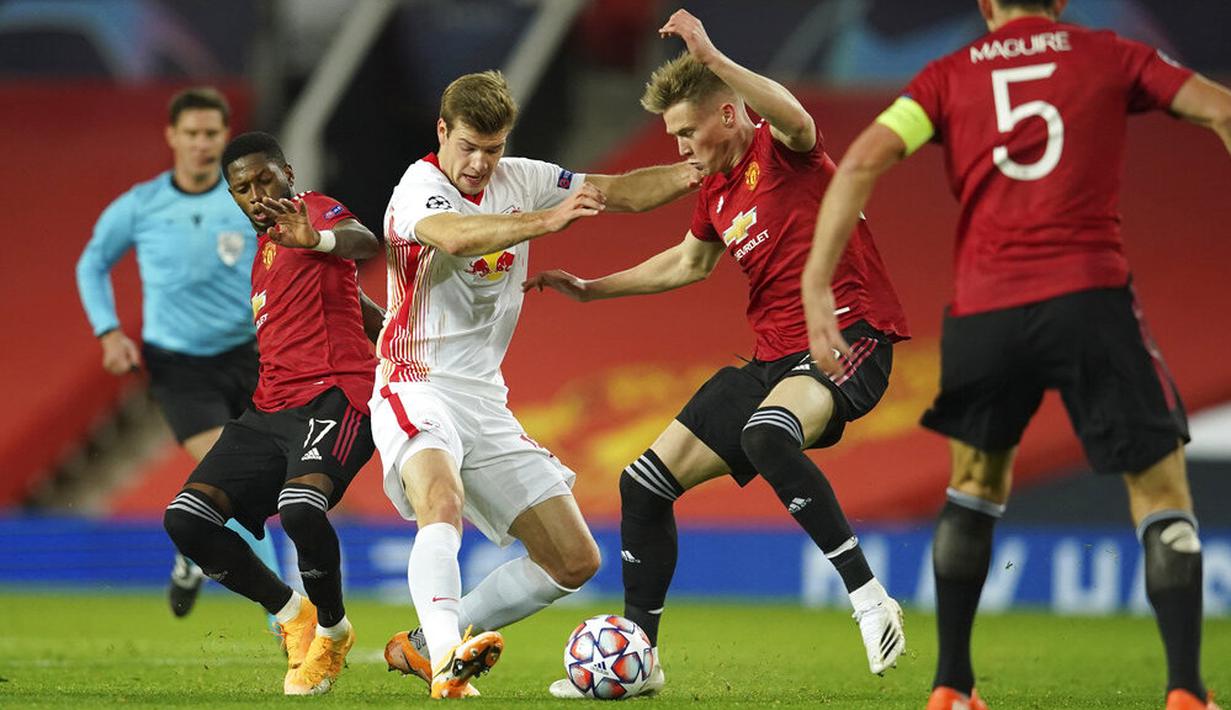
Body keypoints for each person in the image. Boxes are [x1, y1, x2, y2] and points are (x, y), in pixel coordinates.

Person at [800, 1, 1231, 708]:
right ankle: (1185, 691)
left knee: (973, 487)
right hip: (1089, 298)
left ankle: (951, 687)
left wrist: (817, 282)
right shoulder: (1109, 54)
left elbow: (865, 157)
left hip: (987, 311)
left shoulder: (946, 77)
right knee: (1159, 495)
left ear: (984, 5)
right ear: (1058, 2)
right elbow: (1218, 107)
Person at [524, 10, 911, 697]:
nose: (680, 147)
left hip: (849, 337)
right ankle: (640, 661)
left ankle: (869, 597)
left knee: (767, 434)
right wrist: (592, 289)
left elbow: (796, 116)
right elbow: (687, 263)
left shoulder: (783, 150)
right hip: (774, 359)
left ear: (728, 115)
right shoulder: (717, 189)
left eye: (686, 132)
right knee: (643, 484)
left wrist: (714, 57)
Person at [373, 69, 701, 699]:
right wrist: (547, 222)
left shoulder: (521, 177)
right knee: (440, 499)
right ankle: (445, 662)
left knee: (574, 559)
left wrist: (696, 172)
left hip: (483, 398)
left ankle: (429, 641)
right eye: (468, 146)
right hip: (415, 381)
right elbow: (456, 237)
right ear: (441, 131)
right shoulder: (418, 188)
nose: (480, 163)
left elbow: (620, 193)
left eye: (493, 149)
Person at [162, 131, 381, 696]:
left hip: (336, 393)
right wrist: (387, 327)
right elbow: (355, 302)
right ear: (233, 196)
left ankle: (332, 632)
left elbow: (363, 242)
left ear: (288, 173)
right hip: (268, 409)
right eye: (244, 188)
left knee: (301, 509)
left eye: (266, 178)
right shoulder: (262, 256)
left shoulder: (314, 211)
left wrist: (320, 238)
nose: (258, 194)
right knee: (185, 521)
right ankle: (292, 614)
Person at [75, 87, 284, 620]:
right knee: (234, 479)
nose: (201, 143)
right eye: (191, 133)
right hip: (180, 368)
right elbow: (92, 263)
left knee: (260, 482)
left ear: (224, 136)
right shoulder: (142, 205)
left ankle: (193, 553)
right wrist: (108, 332)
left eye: (211, 133)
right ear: (172, 136)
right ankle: (287, 622)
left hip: (250, 356)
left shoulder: (244, 201)